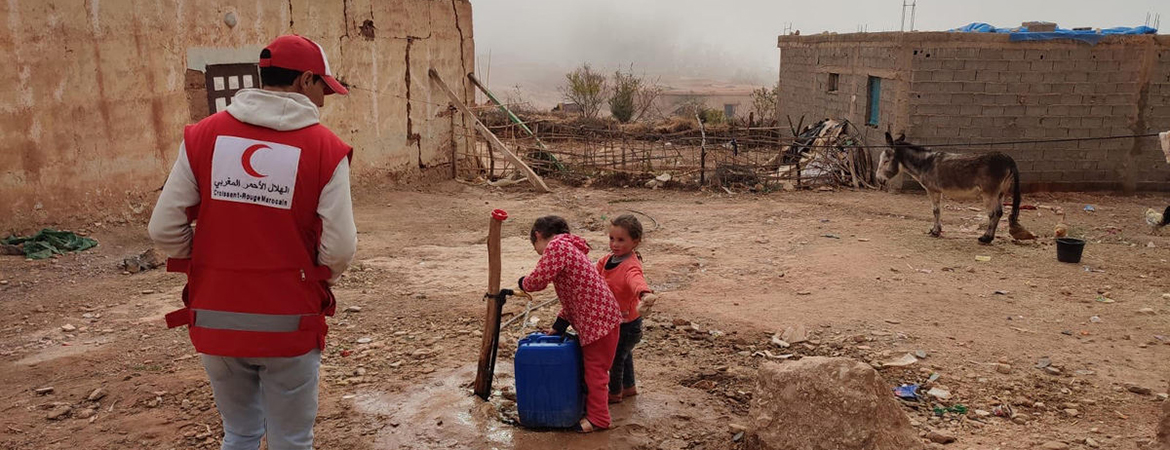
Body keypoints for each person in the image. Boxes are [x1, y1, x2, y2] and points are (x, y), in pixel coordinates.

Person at [147, 34, 357, 450]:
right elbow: (340, 248)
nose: (324, 100)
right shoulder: (325, 149)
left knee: (241, 433)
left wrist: (207, 265)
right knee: (291, 440)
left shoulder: (203, 136)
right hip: (290, 322)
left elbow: (163, 229)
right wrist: (314, 278)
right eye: (322, 89)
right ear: (305, 80)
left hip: (215, 318)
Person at [519, 216, 622, 433]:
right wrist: (558, 326)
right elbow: (574, 297)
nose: (539, 252)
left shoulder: (556, 246)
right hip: (601, 317)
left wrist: (523, 283)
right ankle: (593, 407)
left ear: (538, 235)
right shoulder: (570, 248)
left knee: (595, 372)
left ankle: (599, 419)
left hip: (598, 321)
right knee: (593, 369)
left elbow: (538, 280)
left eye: (536, 247)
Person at [596, 214, 657, 404]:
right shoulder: (607, 260)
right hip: (618, 321)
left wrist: (644, 295)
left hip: (628, 325)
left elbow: (636, 281)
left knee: (615, 359)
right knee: (624, 355)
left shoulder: (630, 265)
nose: (614, 244)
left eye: (621, 240)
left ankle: (614, 393)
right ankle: (629, 387)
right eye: (611, 239)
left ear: (635, 242)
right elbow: (592, 274)